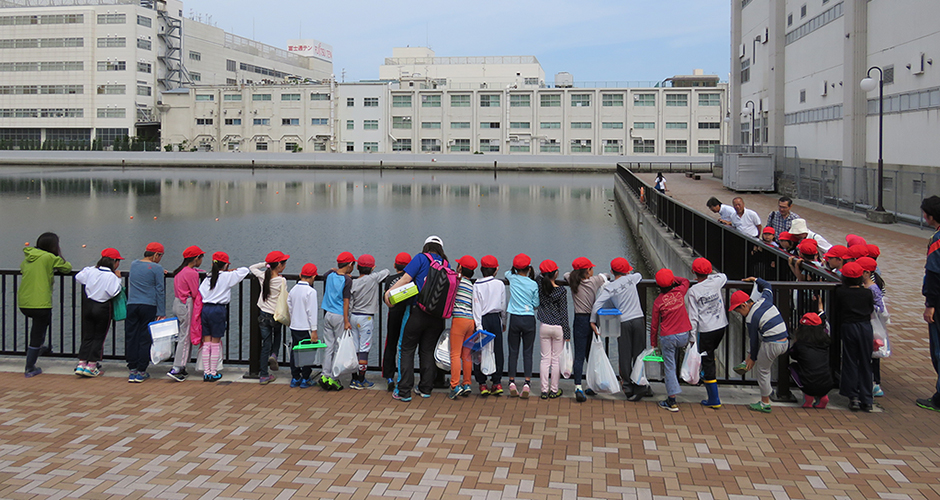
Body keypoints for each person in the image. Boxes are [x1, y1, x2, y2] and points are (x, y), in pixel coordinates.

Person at [383, 236, 450, 402]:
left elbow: (406, 279)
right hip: (436, 315)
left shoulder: (420, 258)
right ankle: (425, 388)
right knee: (427, 350)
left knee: (407, 348)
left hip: (417, 311)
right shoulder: (446, 263)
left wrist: (389, 293)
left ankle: (404, 390)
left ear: (426, 247)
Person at [728, 277, 789, 413]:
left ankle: (765, 403)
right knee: (762, 361)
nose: (740, 314)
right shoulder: (764, 300)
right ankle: (749, 362)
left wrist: (752, 358)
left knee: (763, 371)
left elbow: (754, 341)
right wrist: (756, 279)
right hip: (784, 341)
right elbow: (767, 285)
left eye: (738, 311)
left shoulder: (751, 318)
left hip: (772, 344)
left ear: (744, 305)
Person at [589, 257, 645, 400]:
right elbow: (639, 275)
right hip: (639, 319)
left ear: (612, 271)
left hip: (624, 322)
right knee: (639, 354)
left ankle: (628, 387)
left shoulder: (610, 288)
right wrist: (629, 274)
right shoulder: (632, 279)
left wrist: (593, 321)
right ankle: (641, 385)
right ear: (627, 271)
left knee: (625, 355)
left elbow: (597, 304)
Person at [18, 232, 72, 377]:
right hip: (40, 302)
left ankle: (40, 348)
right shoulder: (49, 258)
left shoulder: (27, 258)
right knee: (37, 332)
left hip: (24, 302)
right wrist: (58, 257)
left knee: (41, 325)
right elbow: (67, 268)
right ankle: (30, 367)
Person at [198, 251, 249, 382]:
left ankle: (206, 372)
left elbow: (201, 292)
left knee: (206, 342)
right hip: (218, 310)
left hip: (206, 309)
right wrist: (230, 271)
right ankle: (213, 372)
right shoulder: (227, 277)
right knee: (215, 343)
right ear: (226, 265)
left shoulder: (208, 278)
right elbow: (245, 270)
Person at [684, 258, 727, 409]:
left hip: (706, 329)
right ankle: (704, 377)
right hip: (721, 326)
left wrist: (691, 337)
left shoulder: (693, 291)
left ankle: (714, 399)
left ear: (693, 272)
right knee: (709, 355)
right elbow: (723, 276)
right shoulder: (716, 282)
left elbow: (693, 317)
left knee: (708, 360)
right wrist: (711, 274)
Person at [74, 248, 124, 377]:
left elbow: (78, 277)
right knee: (99, 337)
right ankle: (92, 365)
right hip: (102, 307)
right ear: (114, 262)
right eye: (118, 261)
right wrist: (119, 279)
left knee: (88, 335)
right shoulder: (111, 276)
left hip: (88, 305)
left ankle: (81, 363)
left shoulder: (90, 271)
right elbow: (113, 292)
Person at [565, 257, 609, 402]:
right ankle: (592, 384)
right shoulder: (594, 281)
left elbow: (566, 274)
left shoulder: (572, 280)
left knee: (579, 354)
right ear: (587, 271)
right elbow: (606, 276)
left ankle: (578, 386)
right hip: (593, 320)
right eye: (591, 268)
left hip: (579, 320)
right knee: (591, 354)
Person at [832, 262, 875, 412]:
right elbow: (870, 309)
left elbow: (837, 310)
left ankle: (853, 397)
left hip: (849, 326)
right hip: (865, 327)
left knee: (850, 360)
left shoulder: (840, 292)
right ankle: (867, 399)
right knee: (865, 361)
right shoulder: (867, 293)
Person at [649, 269, 691, 412]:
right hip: (684, 334)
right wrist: (673, 278)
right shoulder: (679, 292)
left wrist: (653, 343)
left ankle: (671, 400)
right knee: (679, 358)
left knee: (670, 367)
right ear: (672, 282)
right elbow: (686, 281)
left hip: (668, 336)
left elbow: (654, 325)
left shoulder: (658, 302)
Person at [125, 242, 165, 383]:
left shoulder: (134, 264)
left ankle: (132, 369)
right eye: (160, 256)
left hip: (132, 305)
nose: (160, 259)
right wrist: (161, 311)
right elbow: (160, 290)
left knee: (131, 337)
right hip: (148, 305)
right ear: (155, 255)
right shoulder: (157, 268)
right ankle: (141, 371)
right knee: (144, 338)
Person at [249, 250, 289, 385]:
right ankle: (274, 354)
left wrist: (265, 264)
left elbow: (252, 268)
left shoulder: (262, 276)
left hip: (263, 314)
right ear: (279, 265)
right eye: (283, 263)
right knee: (277, 335)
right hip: (275, 315)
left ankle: (264, 375)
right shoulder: (282, 280)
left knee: (265, 343)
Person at [349, 254, 389, 389]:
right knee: (364, 349)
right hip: (366, 318)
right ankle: (361, 379)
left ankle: (353, 378)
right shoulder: (373, 279)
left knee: (354, 347)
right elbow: (386, 272)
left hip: (353, 316)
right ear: (372, 268)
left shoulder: (353, 283)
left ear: (357, 268)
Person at [167, 246, 205, 382]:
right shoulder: (191, 273)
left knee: (182, 335)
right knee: (185, 336)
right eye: (201, 258)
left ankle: (181, 366)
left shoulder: (180, 272)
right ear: (196, 258)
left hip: (177, 303)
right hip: (186, 304)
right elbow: (195, 292)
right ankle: (177, 367)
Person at [319, 251, 355, 391]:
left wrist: (334, 270)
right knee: (339, 347)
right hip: (340, 316)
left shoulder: (330, 276)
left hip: (328, 314)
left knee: (328, 347)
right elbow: (346, 301)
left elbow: (326, 273)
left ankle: (324, 374)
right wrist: (347, 321)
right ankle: (333, 378)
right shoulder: (347, 281)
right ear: (350, 264)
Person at [505, 253, 539, 399]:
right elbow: (536, 303)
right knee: (528, 352)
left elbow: (507, 273)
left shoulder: (512, 278)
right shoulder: (533, 284)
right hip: (529, 319)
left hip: (515, 318)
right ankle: (526, 383)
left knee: (513, 351)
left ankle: (511, 382)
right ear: (529, 268)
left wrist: (513, 270)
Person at [473, 255, 507, 396]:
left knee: (479, 350)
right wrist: (504, 321)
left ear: (481, 269)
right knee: (497, 349)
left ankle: (482, 383)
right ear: (496, 270)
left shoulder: (477, 285)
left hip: (483, 318)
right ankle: (497, 382)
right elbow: (503, 305)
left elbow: (476, 306)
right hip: (495, 318)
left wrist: (478, 325)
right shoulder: (500, 284)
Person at [536, 260, 569, 399]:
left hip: (544, 326)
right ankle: (554, 390)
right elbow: (564, 313)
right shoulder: (561, 291)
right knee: (556, 360)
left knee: (545, 359)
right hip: (558, 328)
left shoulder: (540, 286)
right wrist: (567, 333)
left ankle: (544, 390)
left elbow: (538, 276)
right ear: (556, 273)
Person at [789, 311, 833, 409]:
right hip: (827, 383)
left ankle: (808, 397)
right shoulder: (825, 342)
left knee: (792, 366)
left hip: (808, 383)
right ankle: (823, 397)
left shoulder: (800, 344)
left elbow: (793, 355)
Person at [448, 255, 477, 400]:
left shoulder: (457, 282)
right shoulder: (472, 286)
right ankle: (467, 383)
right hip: (470, 322)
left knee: (455, 354)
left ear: (460, 268)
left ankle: (455, 385)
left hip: (458, 320)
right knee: (466, 355)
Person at [921, 194, 940, 412]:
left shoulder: (937, 240)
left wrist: (930, 303)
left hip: (939, 301)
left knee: (938, 349)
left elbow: (934, 273)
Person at [858, 256, 886, 397]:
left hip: (871, 325)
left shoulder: (873, 288)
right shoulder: (867, 287)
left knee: (872, 354)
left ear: (867, 273)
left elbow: (880, 308)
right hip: (867, 324)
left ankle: (875, 383)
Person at [287, 263, 319, 388]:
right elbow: (312, 312)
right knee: (307, 353)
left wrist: (292, 318)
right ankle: (306, 378)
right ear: (313, 277)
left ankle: (295, 377)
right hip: (305, 327)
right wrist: (314, 330)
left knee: (295, 351)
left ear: (301, 275)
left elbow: (289, 305)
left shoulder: (293, 289)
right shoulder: (311, 292)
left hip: (294, 326)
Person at [383, 252, 411, 392]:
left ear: (395, 265)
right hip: (407, 314)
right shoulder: (411, 280)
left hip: (393, 315)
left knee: (391, 344)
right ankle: (404, 375)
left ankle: (388, 376)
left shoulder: (389, 280)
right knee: (406, 346)